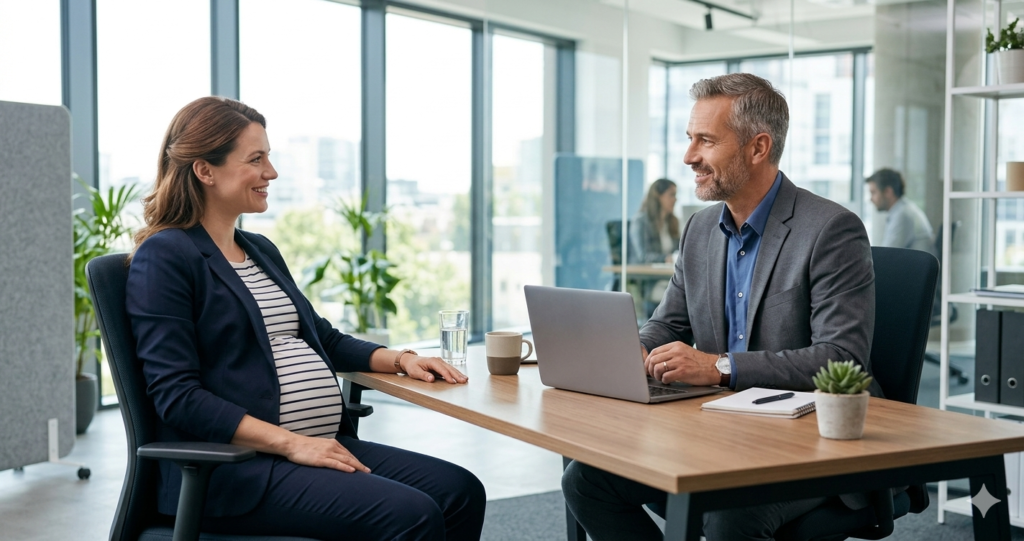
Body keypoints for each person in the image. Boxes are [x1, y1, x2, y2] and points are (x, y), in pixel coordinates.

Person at [126, 96, 486, 540]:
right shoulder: (167, 256)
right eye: (256, 159)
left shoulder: (258, 249)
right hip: (238, 469)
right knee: (410, 514)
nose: (271, 173)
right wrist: (294, 443)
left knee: (461, 491)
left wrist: (401, 359)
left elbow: (324, 340)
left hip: (312, 447)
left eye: (269, 157)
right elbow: (177, 396)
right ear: (205, 170)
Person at [562, 73, 882, 541]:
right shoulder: (699, 229)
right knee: (587, 481)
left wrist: (719, 366)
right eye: (690, 139)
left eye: (706, 141)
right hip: (715, 430)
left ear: (758, 147)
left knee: (728, 517)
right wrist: (629, 350)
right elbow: (667, 323)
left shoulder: (831, 229)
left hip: (807, 441)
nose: (689, 156)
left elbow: (841, 358)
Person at [866, 167, 936, 255]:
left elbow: (886, 256)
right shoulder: (904, 208)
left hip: (913, 267)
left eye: (873, 192)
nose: (871, 199)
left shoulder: (902, 215)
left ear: (888, 192)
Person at [630, 178, 680, 264]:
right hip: (645, 274)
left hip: (667, 273)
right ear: (658, 196)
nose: (675, 199)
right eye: (672, 195)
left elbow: (679, 250)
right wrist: (666, 258)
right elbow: (643, 257)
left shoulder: (672, 222)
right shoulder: (640, 221)